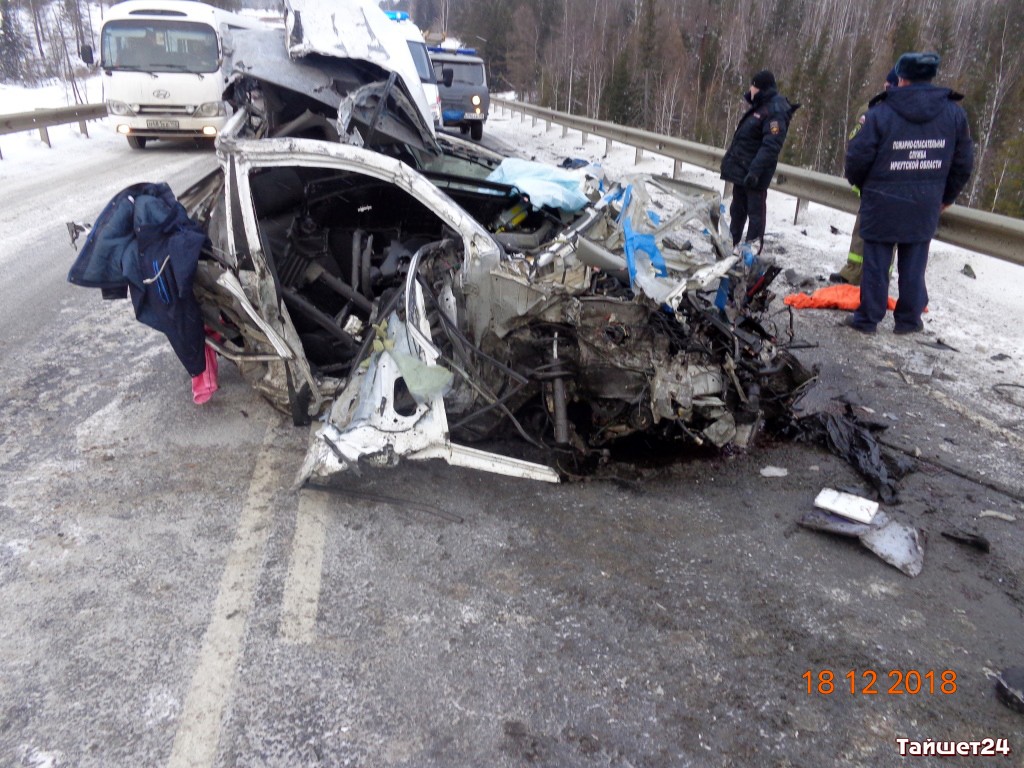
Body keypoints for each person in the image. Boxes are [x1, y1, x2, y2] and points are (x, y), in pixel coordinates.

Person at [843, 52, 973, 335]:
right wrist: (946, 197)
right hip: (925, 202)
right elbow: (963, 163)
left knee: (876, 262)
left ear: (901, 78)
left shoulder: (879, 112)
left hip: (881, 200)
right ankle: (908, 320)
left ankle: (868, 319)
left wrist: (865, 187)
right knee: (914, 264)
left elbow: (856, 157)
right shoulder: (953, 114)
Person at [830, 67, 900, 285]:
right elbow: (858, 147)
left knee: (884, 238)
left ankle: (874, 279)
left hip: (887, 185)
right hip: (874, 183)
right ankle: (855, 272)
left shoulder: (894, 114)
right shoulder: (873, 109)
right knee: (862, 232)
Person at [720, 70, 799, 254]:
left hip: (754, 174)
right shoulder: (761, 106)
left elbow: (771, 146)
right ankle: (731, 246)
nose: (751, 89)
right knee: (737, 210)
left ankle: (752, 253)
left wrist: (755, 172)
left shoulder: (775, 111)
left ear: (761, 88)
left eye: (753, 86)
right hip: (742, 171)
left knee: (755, 214)